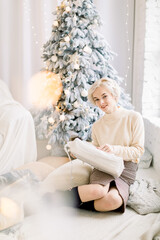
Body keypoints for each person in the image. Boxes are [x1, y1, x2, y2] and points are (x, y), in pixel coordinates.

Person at [45, 77, 145, 213]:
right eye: (97, 99)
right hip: (104, 165)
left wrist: (114, 150)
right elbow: (96, 151)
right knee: (96, 191)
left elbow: (138, 151)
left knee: (112, 201)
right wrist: (81, 153)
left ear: (114, 95)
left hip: (126, 168)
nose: (101, 102)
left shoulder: (133, 117)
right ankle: (51, 199)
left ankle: (73, 201)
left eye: (104, 96)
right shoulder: (97, 126)